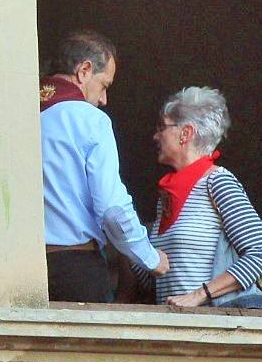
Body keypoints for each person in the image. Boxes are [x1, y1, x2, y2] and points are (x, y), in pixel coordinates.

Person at [39, 30, 167, 303]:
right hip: (76, 268)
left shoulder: (20, 114)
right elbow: (112, 208)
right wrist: (150, 257)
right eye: (104, 85)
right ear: (84, 70)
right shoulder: (90, 119)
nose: (104, 99)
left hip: (22, 271)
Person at [138, 86, 262, 310]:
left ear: (186, 133)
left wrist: (199, 295)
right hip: (173, 330)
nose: (156, 135)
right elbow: (159, 279)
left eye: (162, 127)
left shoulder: (218, 183)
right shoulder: (167, 196)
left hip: (213, 331)